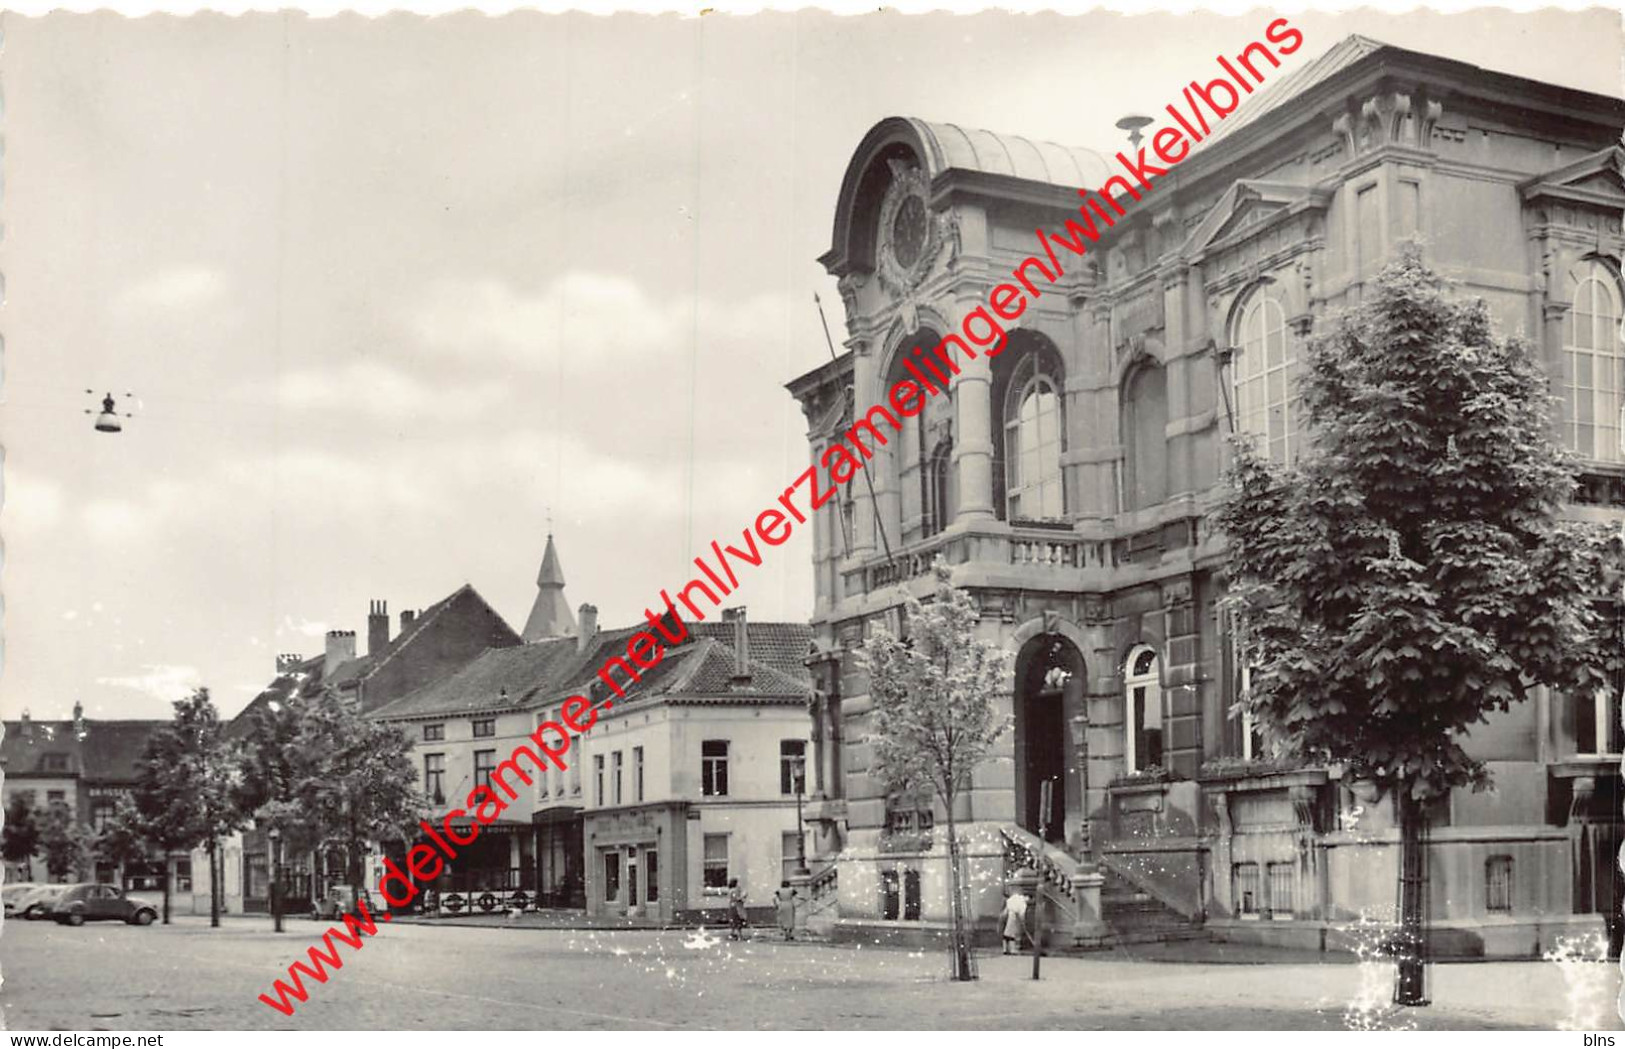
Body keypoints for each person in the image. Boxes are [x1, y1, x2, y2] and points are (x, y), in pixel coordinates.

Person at [999, 891, 1027, 955]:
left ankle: (1005, 949)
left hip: (1010, 917)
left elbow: (1005, 911)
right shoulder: (1022, 902)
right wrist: (1023, 922)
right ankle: (1011, 949)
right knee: (1011, 934)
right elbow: (1022, 914)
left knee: (1007, 933)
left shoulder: (1013, 900)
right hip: (1013, 918)